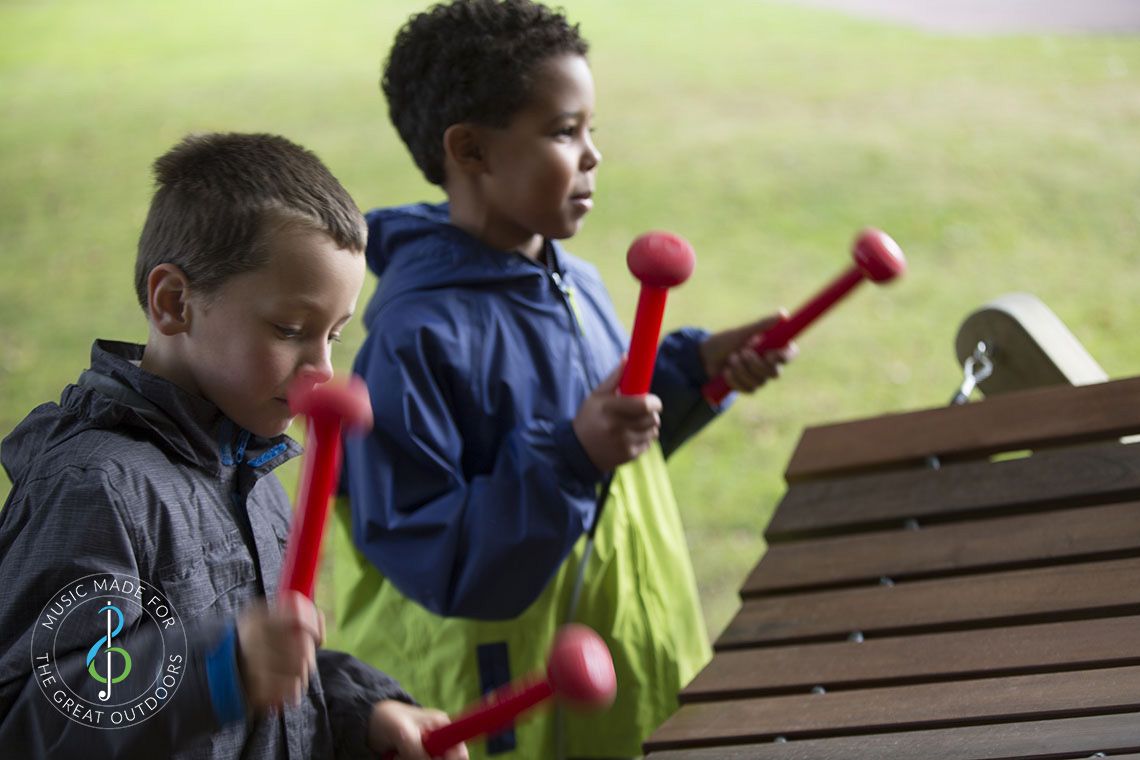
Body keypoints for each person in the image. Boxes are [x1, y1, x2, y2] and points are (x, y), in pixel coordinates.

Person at [327, 1, 795, 757]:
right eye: (562, 131)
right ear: (470, 149)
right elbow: (434, 552)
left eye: (591, 132)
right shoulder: (415, 340)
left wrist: (692, 375)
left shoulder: (572, 279)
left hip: (626, 664)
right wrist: (575, 452)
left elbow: (606, 450)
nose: (592, 155)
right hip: (508, 705)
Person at [0, 132, 467, 760]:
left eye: (334, 335)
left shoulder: (246, 470)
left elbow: (277, 667)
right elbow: (37, 721)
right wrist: (221, 670)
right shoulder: (97, 489)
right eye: (290, 330)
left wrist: (366, 710)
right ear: (174, 303)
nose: (322, 368)